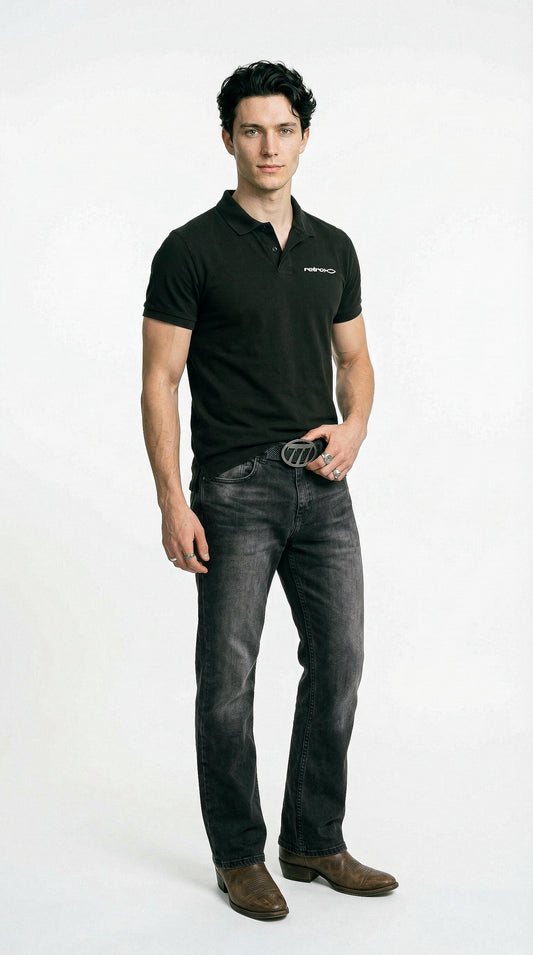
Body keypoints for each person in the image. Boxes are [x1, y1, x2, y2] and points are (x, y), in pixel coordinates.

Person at [141, 61, 398, 921]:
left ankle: (313, 839)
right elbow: (159, 380)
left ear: (304, 138)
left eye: (283, 129)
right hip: (233, 490)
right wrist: (172, 500)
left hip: (322, 486)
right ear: (227, 139)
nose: (268, 146)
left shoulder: (332, 247)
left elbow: (355, 360)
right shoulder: (190, 248)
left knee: (339, 661)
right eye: (251, 129)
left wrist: (354, 428)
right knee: (228, 679)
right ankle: (239, 854)